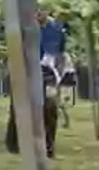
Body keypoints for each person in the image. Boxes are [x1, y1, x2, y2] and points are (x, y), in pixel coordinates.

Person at [9, 10, 63, 159]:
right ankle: (18, 144)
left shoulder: (56, 28)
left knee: (50, 107)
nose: (39, 14)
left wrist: (58, 74)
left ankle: (49, 146)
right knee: (20, 105)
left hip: (48, 72)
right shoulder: (24, 28)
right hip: (26, 70)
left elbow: (60, 52)